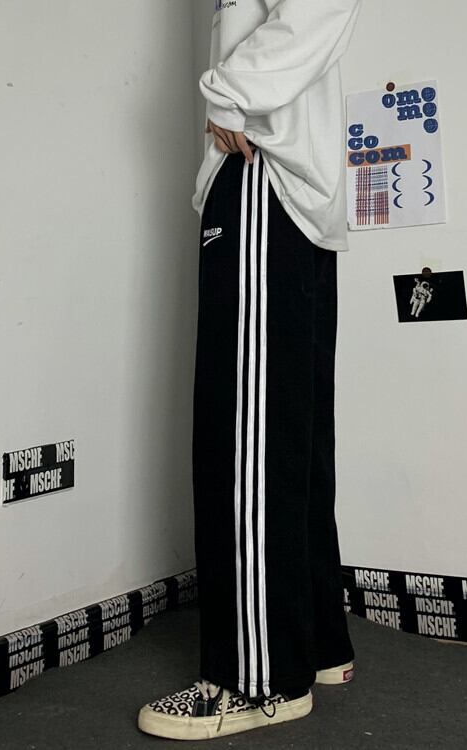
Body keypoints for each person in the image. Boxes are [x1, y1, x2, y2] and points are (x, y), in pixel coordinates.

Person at [138, 0, 362, 740]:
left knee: (246, 434)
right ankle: (314, 642)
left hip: (263, 169)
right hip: (278, 175)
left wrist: (229, 94)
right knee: (290, 428)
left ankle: (258, 677)